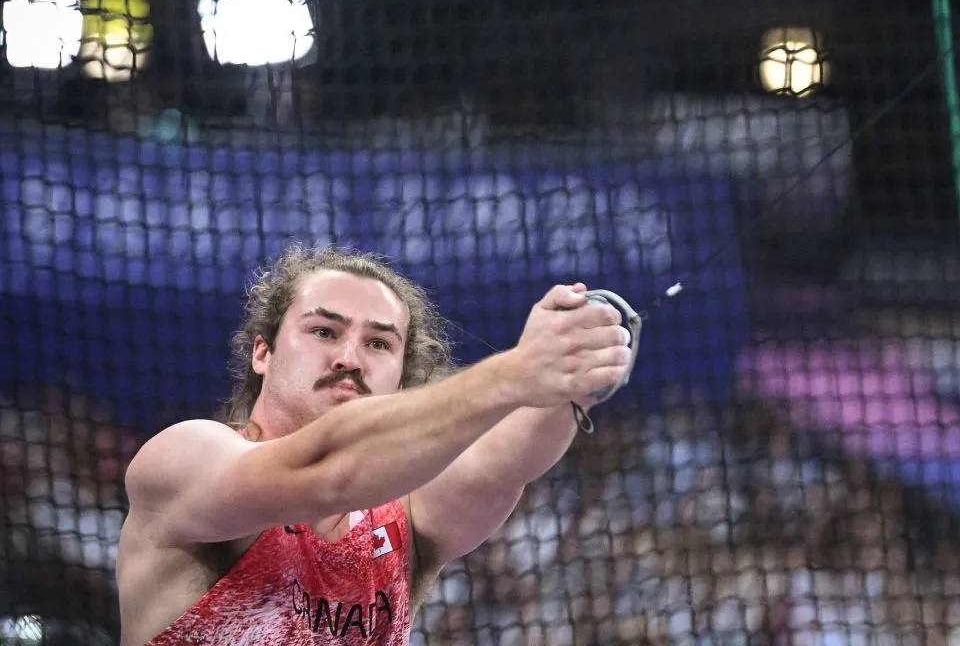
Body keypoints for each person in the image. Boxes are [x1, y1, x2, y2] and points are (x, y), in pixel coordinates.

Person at [115, 244, 633, 645]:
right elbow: (332, 470)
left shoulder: (408, 514)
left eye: (378, 343)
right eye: (323, 331)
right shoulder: (186, 458)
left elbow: (504, 461)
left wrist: (575, 379)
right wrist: (518, 370)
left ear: (402, 383)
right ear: (262, 353)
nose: (350, 358)